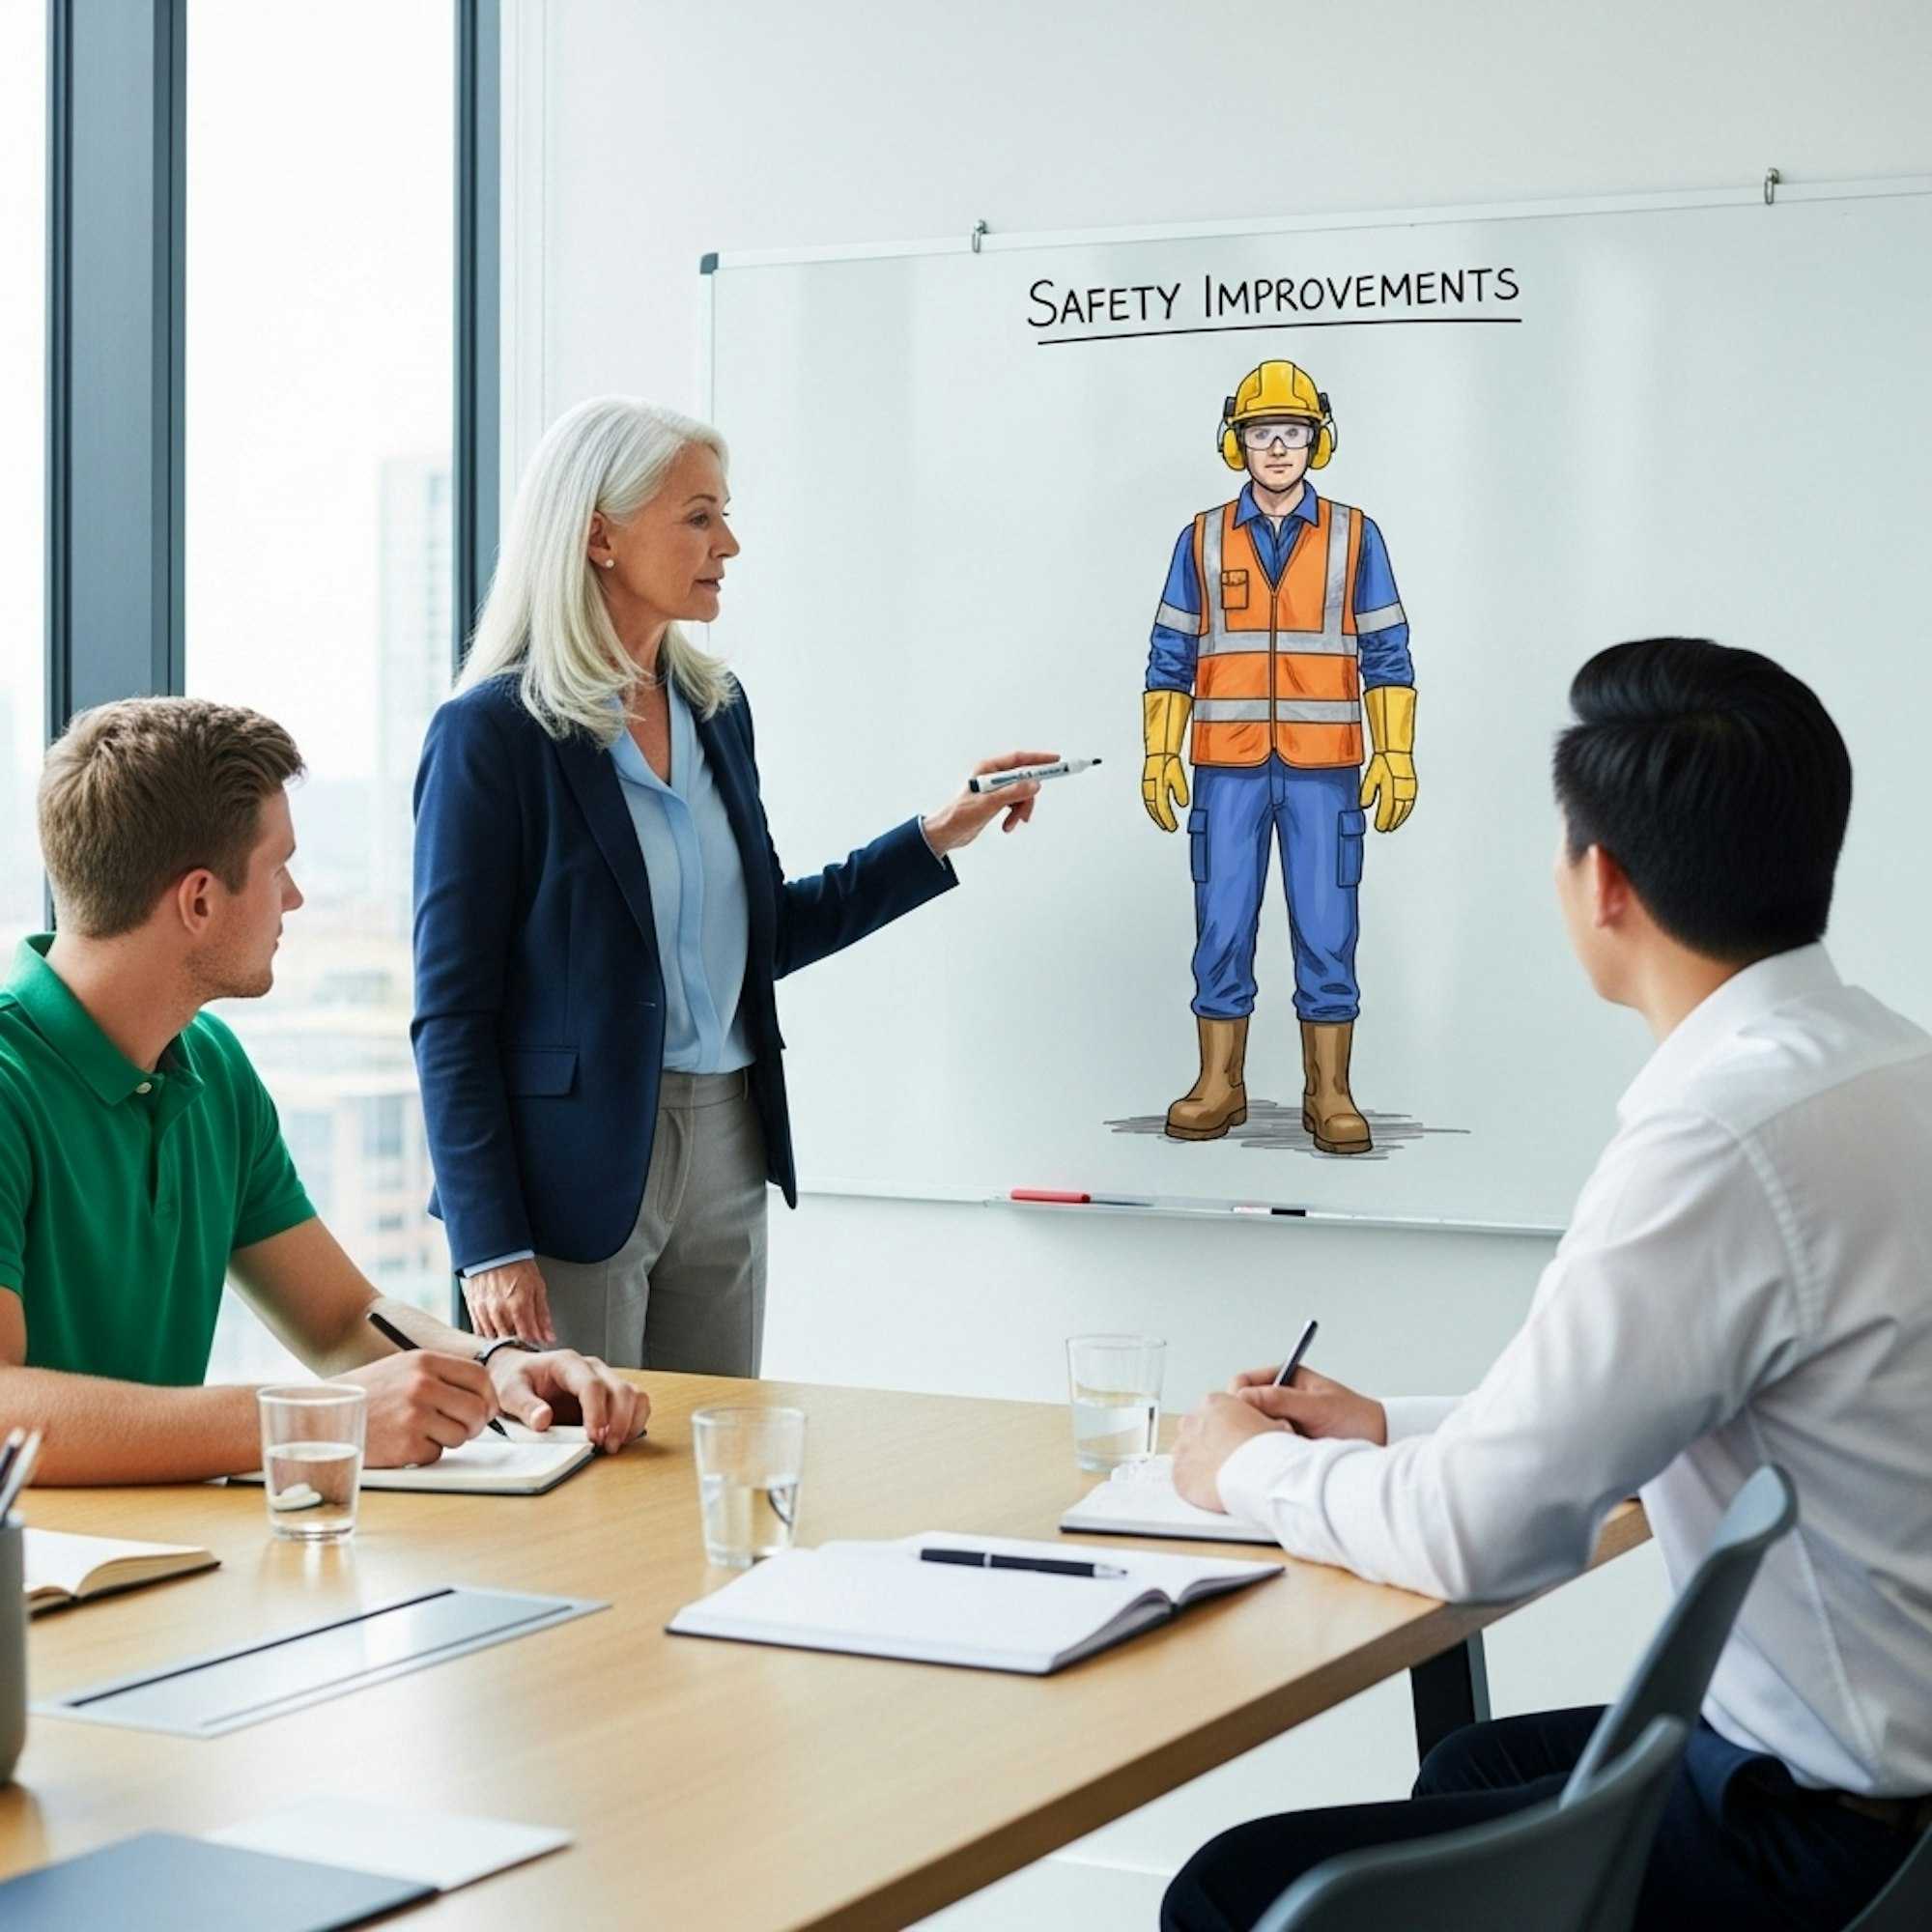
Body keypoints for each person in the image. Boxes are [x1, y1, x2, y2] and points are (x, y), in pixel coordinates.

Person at [1163, 639, 1932, 1931]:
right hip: (1879, 1766)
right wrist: (1390, 1427)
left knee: (1242, 1891)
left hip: (1828, 1838)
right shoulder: (1881, 1064)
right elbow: (1671, 1394)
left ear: (1605, 882)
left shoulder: (1717, 1140)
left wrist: (1239, 1470)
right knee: (1478, 1765)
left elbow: (1483, 1536)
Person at [415, 396, 1052, 1373]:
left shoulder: (715, 708)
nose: (730, 543)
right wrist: (488, 1240)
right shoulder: (491, 734)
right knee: (581, 1478)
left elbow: (766, 934)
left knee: (711, 1458)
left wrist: (938, 831)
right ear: (598, 535)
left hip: (729, 1141)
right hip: (566, 1177)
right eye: (699, 515)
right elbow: (452, 1013)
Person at [0, 697, 646, 1486]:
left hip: (171, 1556)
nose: (296, 898)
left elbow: (342, 1319)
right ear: (199, 900)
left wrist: (496, 1365)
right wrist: (313, 1420)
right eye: (279, 869)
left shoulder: (209, 1065)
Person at [1142, 358, 1416, 1152]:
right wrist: (1161, 755)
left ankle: (1328, 1090)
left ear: (1315, 442)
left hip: (1325, 769)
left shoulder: (1356, 536)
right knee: (1221, 923)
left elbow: (1387, 653)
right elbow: (1170, 655)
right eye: (1263, 433)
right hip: (1224, 768)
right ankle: (1219, 1083)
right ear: (1239, 443)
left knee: (1328, 927)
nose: (1278, 448)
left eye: (1293, 433)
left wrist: (1393, 752)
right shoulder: (1198, 539)